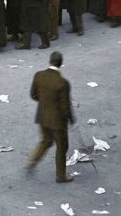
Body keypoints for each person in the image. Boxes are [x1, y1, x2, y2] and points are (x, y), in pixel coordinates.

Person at [26, 51, 75, 183]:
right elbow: (65, 107)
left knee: (46, 140)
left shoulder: (39, 75)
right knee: (62, 147)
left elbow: (33, 95)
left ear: (50, 61)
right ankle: (61, 175)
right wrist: (70, 119)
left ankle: (33, 159)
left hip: (42, 116)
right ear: (61, 63)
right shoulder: (62, 83)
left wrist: (45, 103)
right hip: (58, 122)